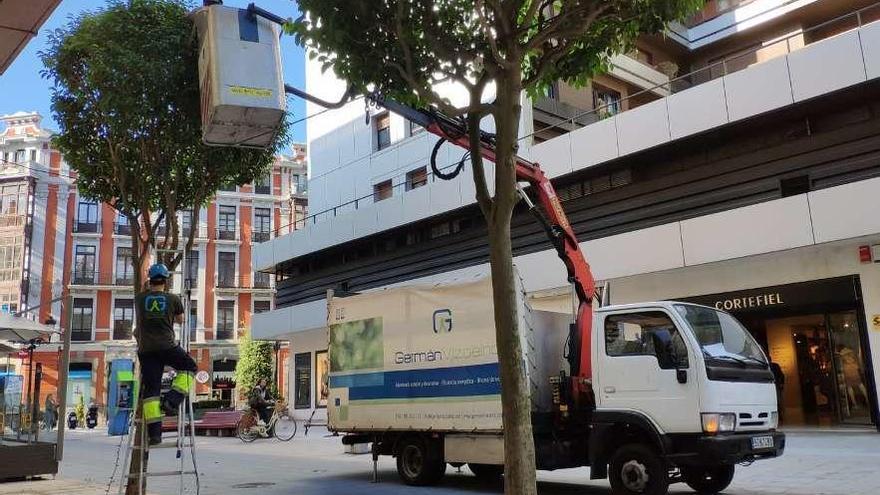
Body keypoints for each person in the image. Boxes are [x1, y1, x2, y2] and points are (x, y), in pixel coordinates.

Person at [135, 263, 198, 445]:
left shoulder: (139, 299)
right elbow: (181, 320)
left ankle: (155, 435)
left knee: (152, 391)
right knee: (189, 367)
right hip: (167, 346)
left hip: (146, 351)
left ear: (150, 279)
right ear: (166, 280)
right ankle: (171, 400)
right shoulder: (173, 299)